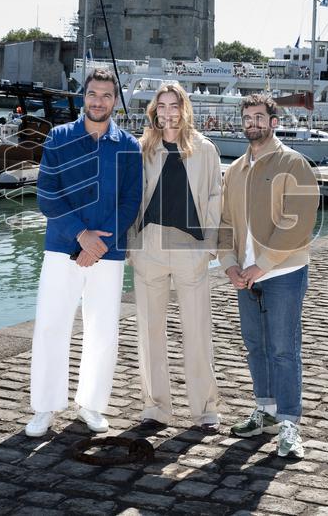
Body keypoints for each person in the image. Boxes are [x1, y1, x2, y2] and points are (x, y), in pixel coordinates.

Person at [25, 69, 142, 437]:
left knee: (103, 330)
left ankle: (91, 405)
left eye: (106, 95)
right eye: (93, 94)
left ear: (115, 101)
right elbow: (47, 192)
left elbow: (131, 200)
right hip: (62, 248)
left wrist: (99, 243)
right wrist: (80, 234)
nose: (98, 101)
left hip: (108, 252)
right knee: (50, 326)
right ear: (83, 96)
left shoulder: (129, 145)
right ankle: (45, 407)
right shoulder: (59, 137)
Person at [218, 93, 320, 459]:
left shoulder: (295, 164)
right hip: (246, 276)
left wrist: (261, 265)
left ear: (274, 122)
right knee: (256, 346)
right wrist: (230, 264)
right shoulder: (234, 171)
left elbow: (299, 222)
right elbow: (224, 222)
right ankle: (266, 411)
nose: (253, 123)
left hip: (284, 273)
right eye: (247, 117)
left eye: (260, 117)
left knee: (283, 349)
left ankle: (290, 423)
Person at [129, 82, 222, 433]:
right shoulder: (143, 148)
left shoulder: (205, 149)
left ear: (184, 109)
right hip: (149, 246)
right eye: (162, 105)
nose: (168, 112)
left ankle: (205, 410)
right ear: (154, 109)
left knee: (196, 330)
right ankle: (155, 407)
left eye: (174, 105)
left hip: (190, 249)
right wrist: (131, 248)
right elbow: (131, 200)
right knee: (150, 331)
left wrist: (211, 247)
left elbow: (216, 198)